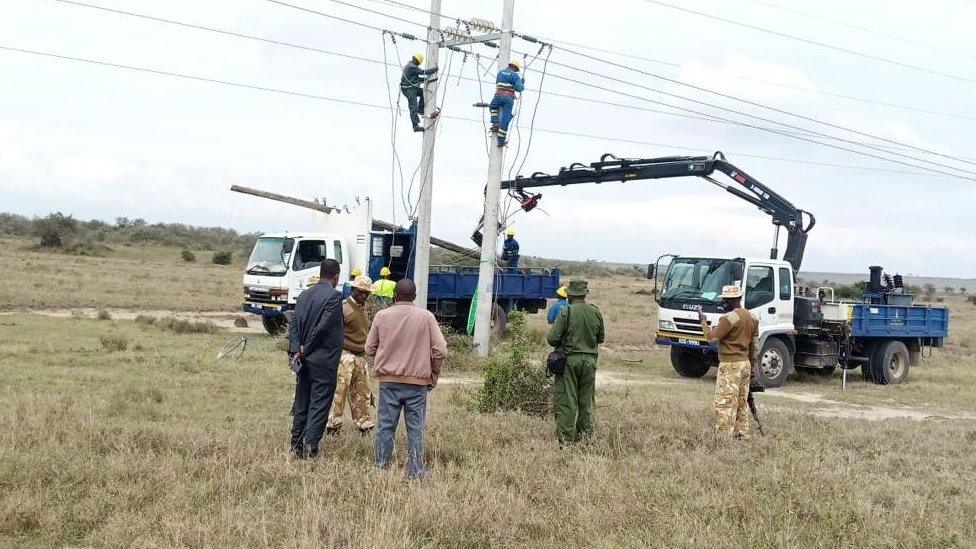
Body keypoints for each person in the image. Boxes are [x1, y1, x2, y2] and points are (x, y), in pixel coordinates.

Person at [366, 279, 447, 478]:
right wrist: (433, 376)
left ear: (394, 295)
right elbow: (441, 351)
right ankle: (416, 471)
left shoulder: (381, 315)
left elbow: (369, 348)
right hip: (417, 384)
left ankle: (380, 467)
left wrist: (384, 360)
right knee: (415, 429)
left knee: (385, 427)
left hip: (389, 382)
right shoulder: (426, 317)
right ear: (415, 296)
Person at [288, 259, 344, 458]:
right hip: (323, 361)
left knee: (302, 403)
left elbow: (293, 324)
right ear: (336, 276)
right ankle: (309, 449)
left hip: (303, 360)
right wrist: (306, 350)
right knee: (319, 406)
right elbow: (322, 328)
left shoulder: (304, 295)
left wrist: (296, 349)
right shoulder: (334, 297)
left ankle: (296, 446)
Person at [547, 279, 605, 445]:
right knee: (587, 401)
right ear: (585, 294)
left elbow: (552, 338)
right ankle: (585, 437)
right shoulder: (595, 312)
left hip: (569, 362)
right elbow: (600, 338)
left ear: (570, 294)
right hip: (590, 361)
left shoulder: (567, 312)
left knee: (567, 400)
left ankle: (565, 440)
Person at [698, 284, 760, 439]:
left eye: (725, 299)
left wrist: (703, 322)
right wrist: (752, 367)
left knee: (725, 402)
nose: (722, 302)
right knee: (741, 401)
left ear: (730, 300)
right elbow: (754, 347)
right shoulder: (753, 318)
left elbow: (711, 338)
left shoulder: (728, 319)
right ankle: (742, 434)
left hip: (730, 365)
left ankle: (723, 437)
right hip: (745, 363)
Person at [326, 275, 377, 436]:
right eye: (361, 291)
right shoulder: (343, 308)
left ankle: (364, 425)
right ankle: (333, 426)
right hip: (345, 355)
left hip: (360, 356)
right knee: (339, 392)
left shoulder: (363, 308)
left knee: (362, 393)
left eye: (367, 293)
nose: (364, 295)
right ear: (353, 289)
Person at [488, 59, 524, 146]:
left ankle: (495, 123)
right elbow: (519, 89)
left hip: (498, 96)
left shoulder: (500, 73)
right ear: (515, 68)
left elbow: (499, 85)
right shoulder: (515, 76)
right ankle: (501, 140)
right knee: (505, 119)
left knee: (492, 107)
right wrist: (522, 82)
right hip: (508, 100)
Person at [400, 53, 438, 133]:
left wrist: (424, 80)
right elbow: (423, 72)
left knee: (422, 92)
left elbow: (415, 78)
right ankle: (415, 126)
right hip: (408, 90)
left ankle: (421, 110)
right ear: (416, 61)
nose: (417, 65)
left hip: (411, 88)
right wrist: (435, 69)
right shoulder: (411, 67)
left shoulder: (410, 65)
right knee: (413, 107)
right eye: (417, 63)